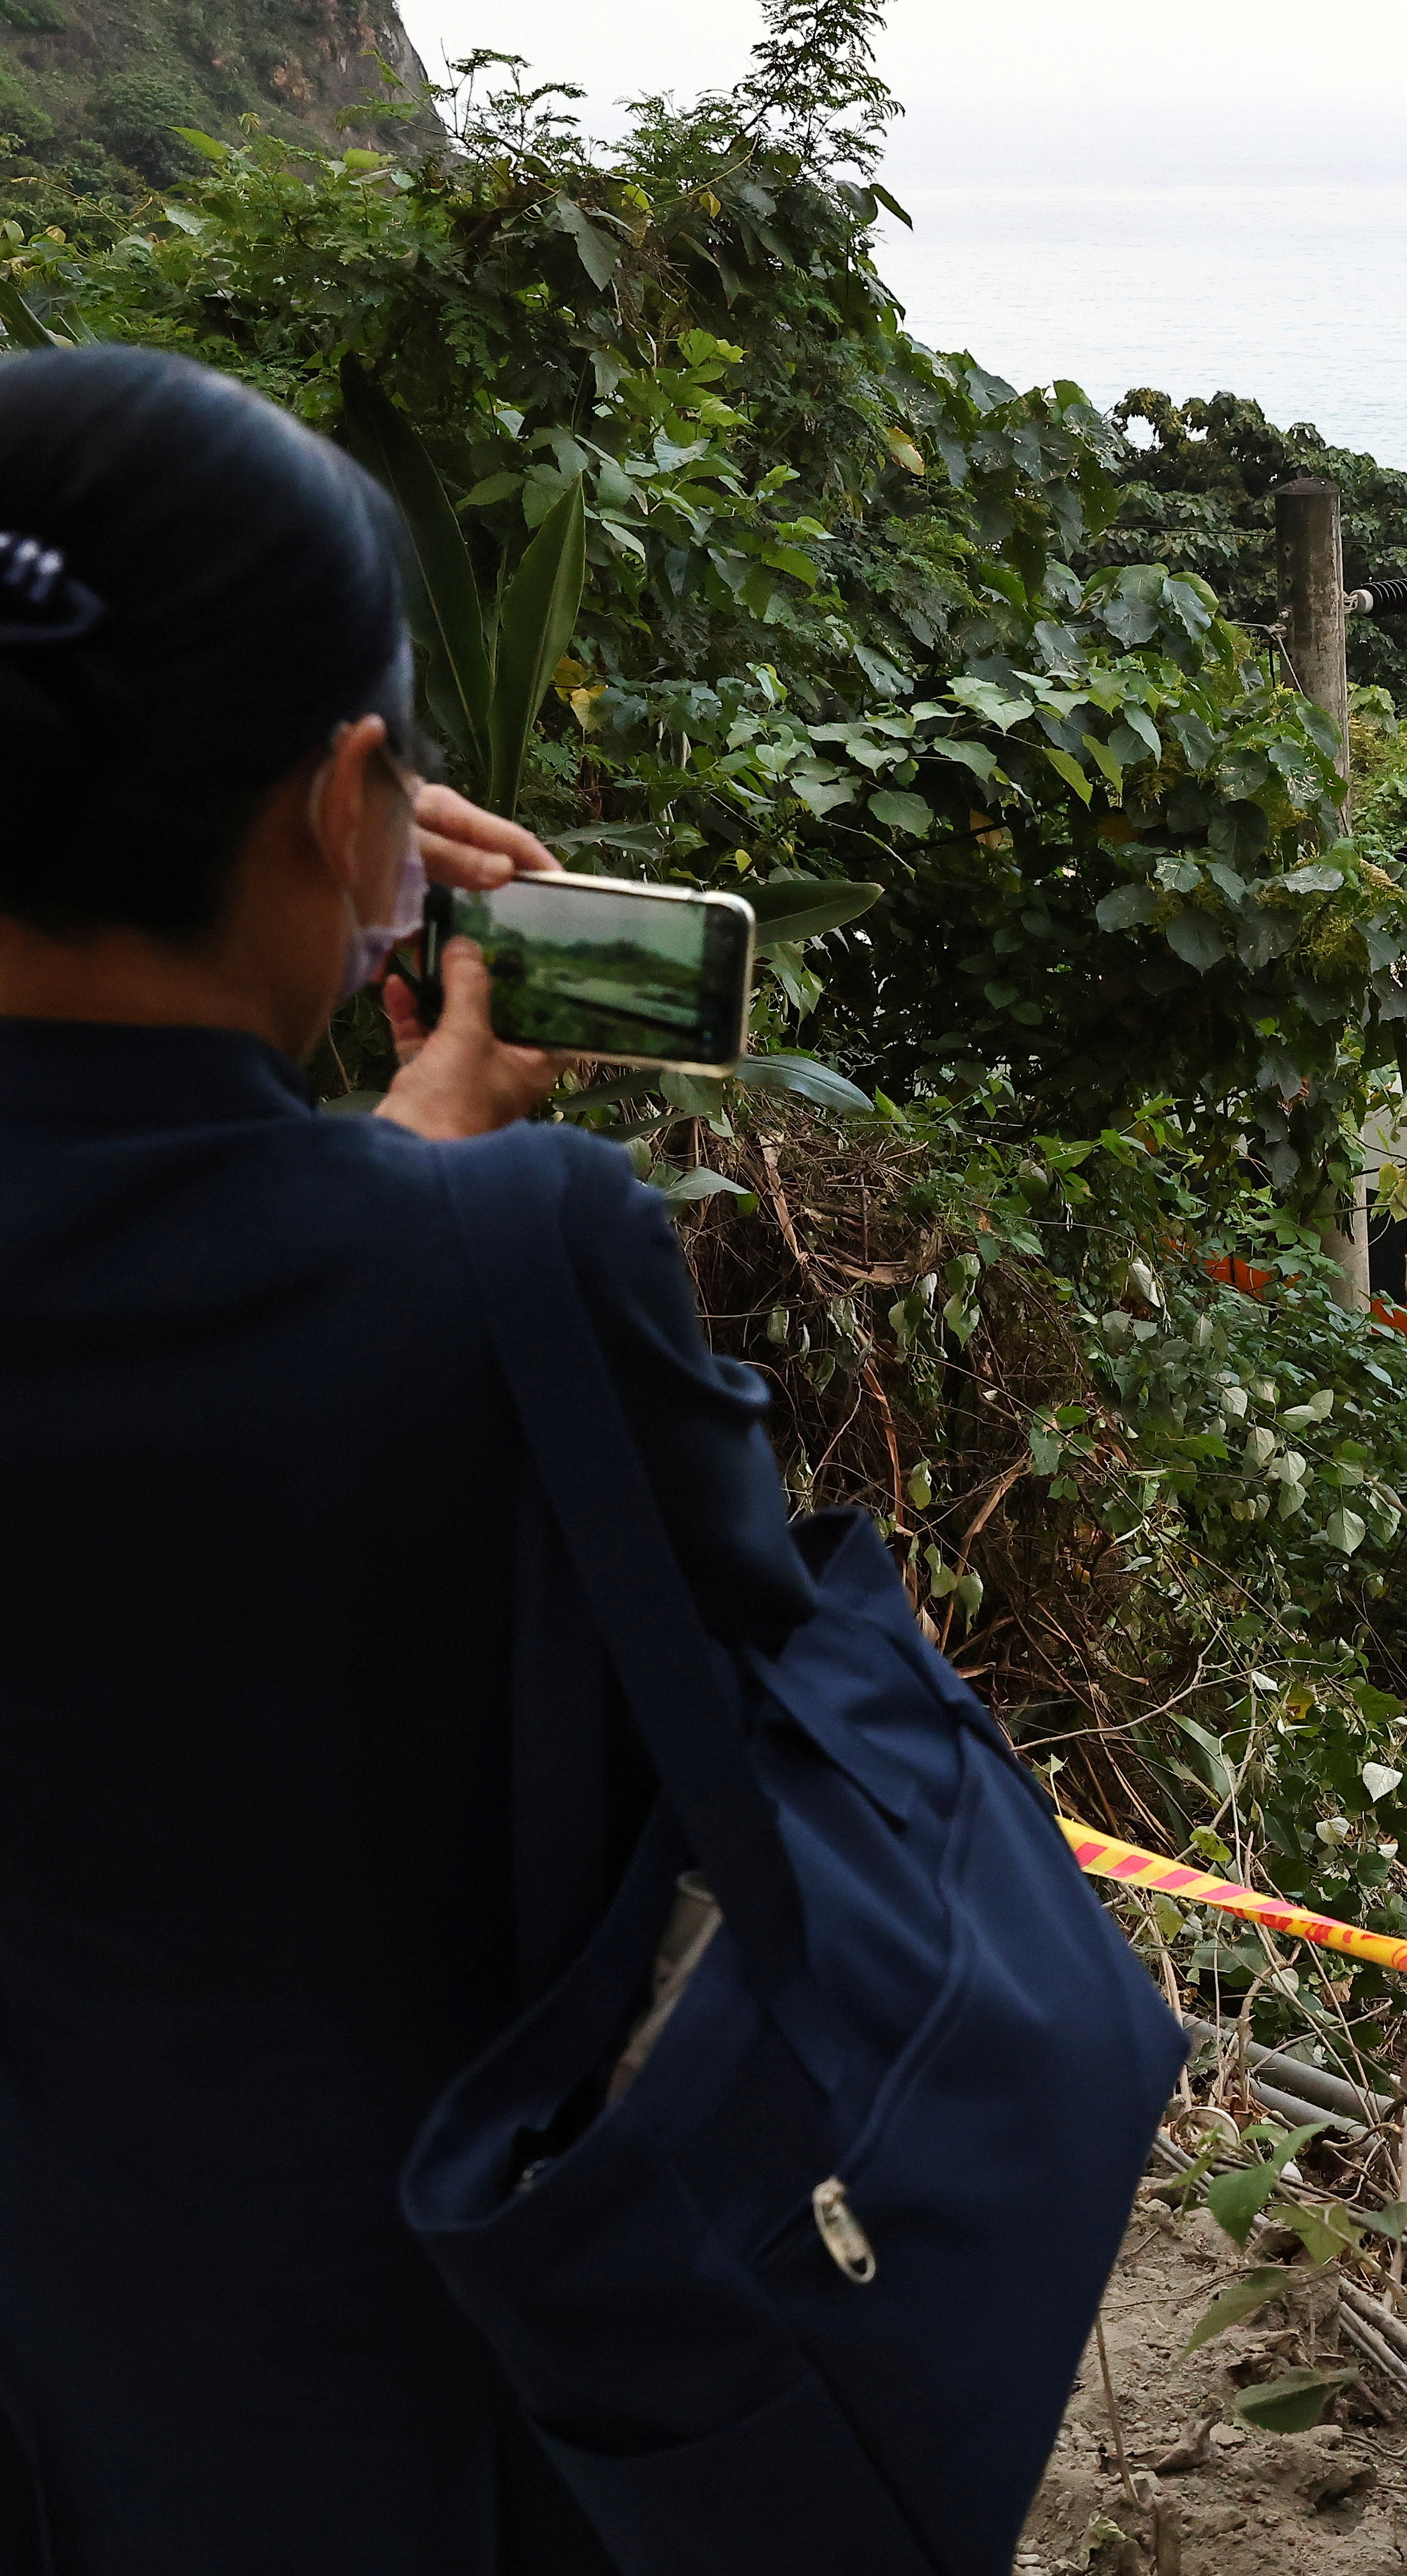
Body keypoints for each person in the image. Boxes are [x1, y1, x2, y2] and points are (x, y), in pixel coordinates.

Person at [0, 345, 814, 2571]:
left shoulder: (445, 1244)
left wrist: (392, 1141)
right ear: (349, 790)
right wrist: (443, 1160)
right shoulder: (512, 1252)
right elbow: (749, 1674)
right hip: (332, 2390)